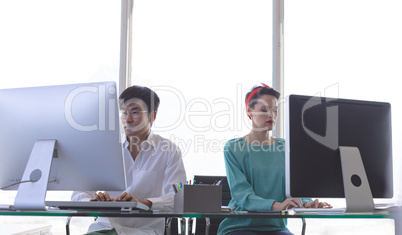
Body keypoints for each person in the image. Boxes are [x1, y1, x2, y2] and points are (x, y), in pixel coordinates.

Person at [217, 84, 331, 235]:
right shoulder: (233, 148)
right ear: (249, 111)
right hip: (239, 226)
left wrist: (307, 203)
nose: (272, 115)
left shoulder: (285, 147)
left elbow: (295, 189)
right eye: (264, 110)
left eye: (275, 110)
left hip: (276, 228)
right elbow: (242, 196)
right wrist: (277, 206)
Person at [72, 85, 187, 235]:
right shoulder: (105, 148)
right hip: (104, 229)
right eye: (123, 113)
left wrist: (141, 203)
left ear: (152, 116)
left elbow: (179, 199)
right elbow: (78, 195)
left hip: (145, 231)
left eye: (134, 112)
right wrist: (94, 203)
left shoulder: (169, 151)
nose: (127, 119)